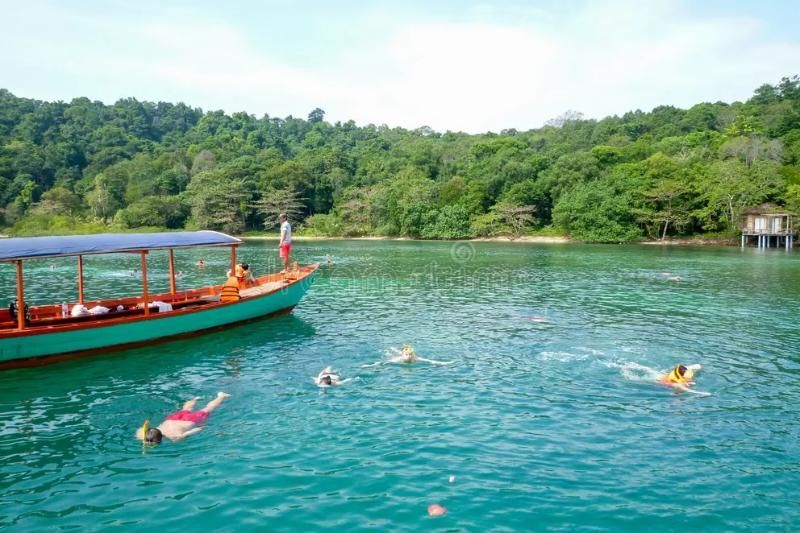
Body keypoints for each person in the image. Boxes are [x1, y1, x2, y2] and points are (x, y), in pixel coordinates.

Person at [136, 392, 231, 443]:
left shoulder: (174, 437)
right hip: (172, 419)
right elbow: (143, 430)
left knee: (208, 409)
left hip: (190, 420)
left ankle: (221, 396)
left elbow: (189, 432)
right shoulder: (151, 431)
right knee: (185, 409)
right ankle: (194, 399)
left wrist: (200, 428)